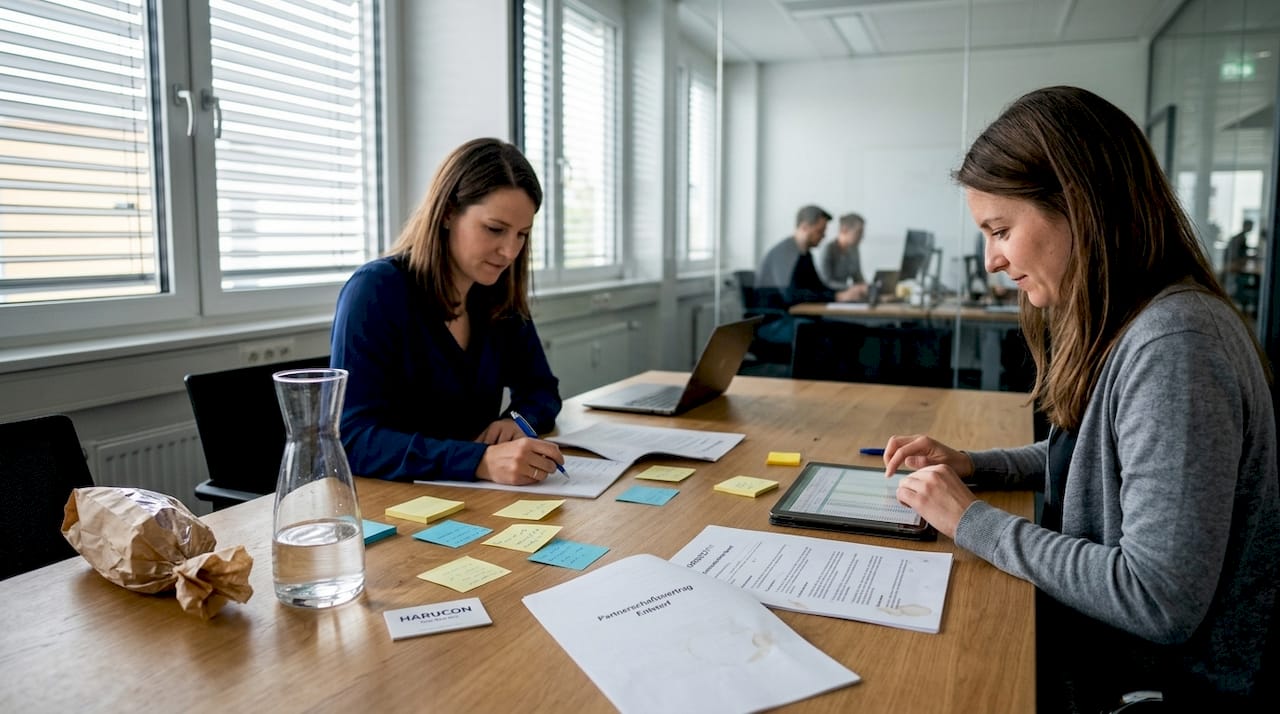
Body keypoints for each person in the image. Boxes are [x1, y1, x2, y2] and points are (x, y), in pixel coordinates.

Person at [881, 87, 1278, 711]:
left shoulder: (1175, 344)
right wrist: (976, 465)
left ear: (1079, 206)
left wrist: (970, 520)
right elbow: (1098, 457)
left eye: (1001, 230)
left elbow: (1157, 597)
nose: (991, 260)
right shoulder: (1140, 321)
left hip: (1159, 690)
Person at [330, 138, 565, 485]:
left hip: (473, 497)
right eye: (495, 229)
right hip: (392, 500)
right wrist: (478, 460)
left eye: (522, 235)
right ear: (447, 213)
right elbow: (351, 439)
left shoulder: (498, 293)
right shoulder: (376, 291)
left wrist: (517, 420)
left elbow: (541, 390)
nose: (509, 251)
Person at [817, 213, 868, 291]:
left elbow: (858, 278)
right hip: (828, 296)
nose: (862, 236)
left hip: (846, 296)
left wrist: (869, 288)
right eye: (859, 232)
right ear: (844, 230)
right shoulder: (827, 249)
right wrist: (853, 288)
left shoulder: (854, 250)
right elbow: (825, 282)